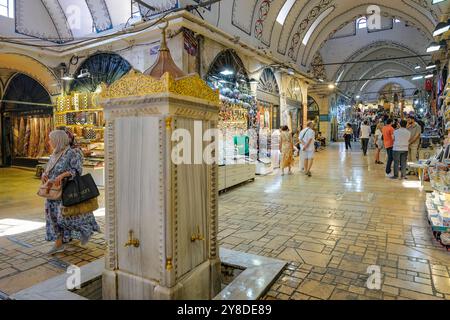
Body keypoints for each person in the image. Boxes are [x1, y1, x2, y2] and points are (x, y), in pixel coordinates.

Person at [41, 130, 100, 254]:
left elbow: (77, 170)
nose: (49, 142)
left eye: (51, 139)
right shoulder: (54, 154)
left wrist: (62, 175)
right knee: (53, 219)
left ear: (59, 140)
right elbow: (49, 168)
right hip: (52, 192)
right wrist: (44, 174)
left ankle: (86, 230)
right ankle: (58, 243)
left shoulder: (72, 153)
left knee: (66, 218)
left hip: (66, 191)